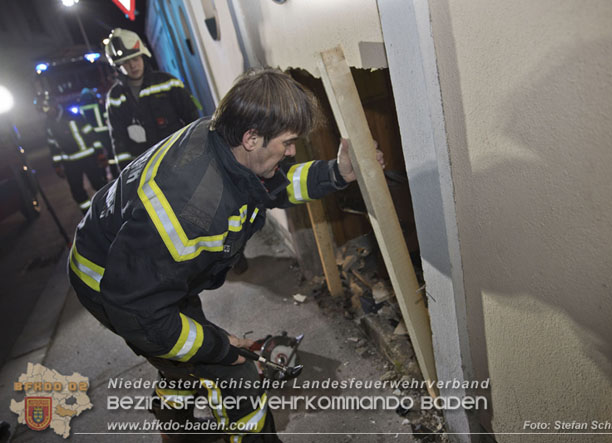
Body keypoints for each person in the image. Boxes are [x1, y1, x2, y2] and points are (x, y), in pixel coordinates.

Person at [68, 68, 384, 442]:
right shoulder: (191, 212)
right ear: (251, 138)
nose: (291, 151)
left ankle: (175, 426)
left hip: (150, 273)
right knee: (236, 378)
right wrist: (220, 346)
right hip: (111, 284)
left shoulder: (225, 143)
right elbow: (139, 311)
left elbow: (273, 186)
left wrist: (336, 172)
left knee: (179, 356)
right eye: (286, 142)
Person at [103, 28, 200, 174]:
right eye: (126, 62)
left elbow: (193, 120)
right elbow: (118, 139)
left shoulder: (168, 83)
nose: (133, 65)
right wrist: (126, 176)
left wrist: (195, 152)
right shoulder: (115, 97)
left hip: (179, 160)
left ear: (143, 55)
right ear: (118, 66)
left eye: (135, 58)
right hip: (146, 169)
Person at [35, 91, 108, 213]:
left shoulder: (73, 116)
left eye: (47, 108)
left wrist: (99, 153)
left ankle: (109, 209)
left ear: (54, 104)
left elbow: (91, 135)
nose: (46, 111)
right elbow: (53, 147)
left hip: (88, 158)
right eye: (43, 109)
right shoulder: (48, 125)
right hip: (70, 163)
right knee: (77, 191)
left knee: (99, 184)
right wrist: (57, 165)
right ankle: (89, 216)